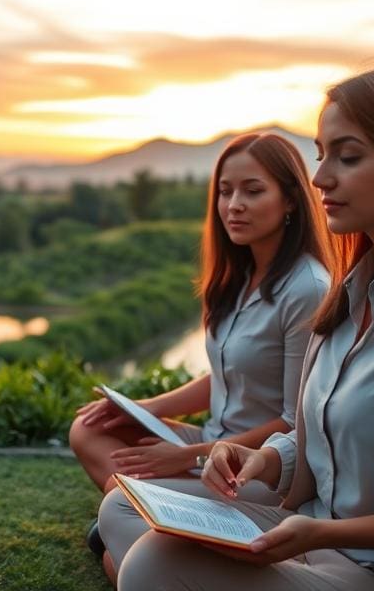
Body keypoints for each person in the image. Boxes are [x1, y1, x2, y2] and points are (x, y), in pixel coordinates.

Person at [112, 65, 374, 591]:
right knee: (127, 517)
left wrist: (323, 533)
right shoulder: (348, 296)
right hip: (312, 536)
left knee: (153, 565)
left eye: (348, 157)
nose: (321, 178)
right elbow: (320, 434)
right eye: (321, 155)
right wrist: (258, 457)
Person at [78, 133, 332, 572]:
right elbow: (226, 373)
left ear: (291, 200)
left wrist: (187, 456)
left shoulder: (306, 289)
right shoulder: (240, 274)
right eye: (226, 191)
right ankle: (151, 523)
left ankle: (144, 530)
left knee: (115, 558)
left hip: (254, 468)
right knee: (89, 427)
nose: (234, 204)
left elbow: (296, 421)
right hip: (209, 439)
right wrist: (142, 408)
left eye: (253, 191)